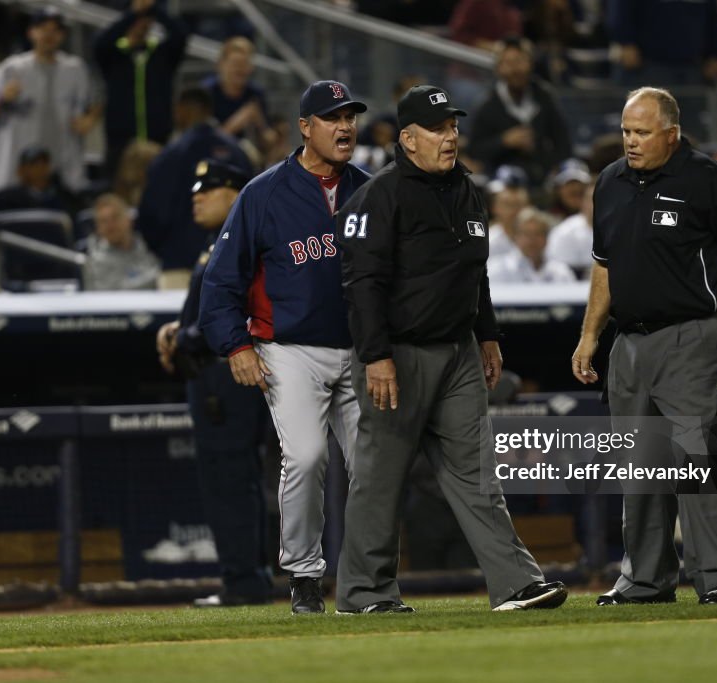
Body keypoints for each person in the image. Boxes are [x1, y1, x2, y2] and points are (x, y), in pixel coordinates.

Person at [335, 84, 568, 614]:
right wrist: (375, 356)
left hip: (458, 352)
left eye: (454, 127)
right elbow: (362, 284)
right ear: (409, 139)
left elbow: (475, 273)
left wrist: (487, 335)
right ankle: (364, 593)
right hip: (397, 353)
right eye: (438, 129)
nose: (450, 137)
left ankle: (514, 584)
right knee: (381, 478)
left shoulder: (466, 189)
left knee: (476, 472)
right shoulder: (379, 196)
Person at [571, 87, 717, 606]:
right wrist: (589, 335)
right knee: (640, 468)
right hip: (629, 343)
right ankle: (645, 580)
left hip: (696, 334)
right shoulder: (609, 182)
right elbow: (604, 266)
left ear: (671, 134)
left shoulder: (707, 178)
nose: (630, 141)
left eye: (642, 132)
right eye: (627, 131)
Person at [198, 81, 370, 614]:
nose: (344, 127)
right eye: (332, 117)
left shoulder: (369, 188)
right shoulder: (263, 192)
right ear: (305, 127)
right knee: (306, 455)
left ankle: (368, 582)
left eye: (350, 117)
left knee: (374, 464)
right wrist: (235, 346)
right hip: (288, 348)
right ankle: (303, 575)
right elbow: (220, 283)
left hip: (361, 350)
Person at [155, 160, 274, 607]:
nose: (197, 196)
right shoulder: (217, 243)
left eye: (211, 188)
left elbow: (231, 315)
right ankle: (247, 578)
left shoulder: (243, 241)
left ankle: (244, 581)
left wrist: (182, 336)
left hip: (226, 379)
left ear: (237, 193)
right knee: (232, 479)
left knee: (230, 478)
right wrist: (178, 330)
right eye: (196, 189)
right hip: (214, 376)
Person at [137, 86, 252, 286]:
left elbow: (152, 213)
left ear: (182, 109)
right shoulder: (239, 153)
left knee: (180, 318)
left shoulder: (170, 155)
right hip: (232, 266)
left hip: (179, 265)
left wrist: (166, 251)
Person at [0, 6, 101, 193]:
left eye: (55, 30)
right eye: (43, 28)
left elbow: (95, 102)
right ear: (31, 32)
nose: (49, 34)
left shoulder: (75, 69)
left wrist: (90, 119)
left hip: (64, 167)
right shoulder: (13, 68)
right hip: (16, 169)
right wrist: (2, 98)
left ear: (63, 35)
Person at [94, 0, 188, 178]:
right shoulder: (113, 55)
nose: (141, 22)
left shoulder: (162, 53)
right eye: (138, 19)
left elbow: (181, 35)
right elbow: (100, 44)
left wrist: (152, 8)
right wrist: (133, 13)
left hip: (158, 140)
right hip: (120, 143)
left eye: (146, 19)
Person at [469, 38, 573, 187]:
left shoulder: (545, 97)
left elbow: (564, 143)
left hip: (543, 180)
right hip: (501, 183)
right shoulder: (487, 105)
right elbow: (475, 150)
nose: (515, 69)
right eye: (508, 63)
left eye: (520, 61)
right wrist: (504, 141)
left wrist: (548, 161)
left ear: (531, 63)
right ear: (498, 68)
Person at [81, 193, 160, 290]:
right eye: (104, 221)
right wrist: (160, 276)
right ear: (98, 229)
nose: (110, 225)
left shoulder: (150, 246)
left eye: (115, 217)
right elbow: (117, 293)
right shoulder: (96, 261)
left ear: (129, 219)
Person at [200, 36, 268, 141]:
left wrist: (260, 123)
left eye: (244, 64)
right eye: (235, 64)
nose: (239, 70)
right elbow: (202, 141)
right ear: (221, 64)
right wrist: (237, 122)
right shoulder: (206, 92)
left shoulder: (255, 94)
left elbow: (268, 140)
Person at [487, 207, 576, 283]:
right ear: (516, 237)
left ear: (546, 239)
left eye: (538, 234)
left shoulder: (561, 271)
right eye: (526, 234)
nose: (532, 240)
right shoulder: (498, 269)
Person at [0, 145, 77, 214]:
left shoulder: (63, 197)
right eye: (34, 164)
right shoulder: (6, 199)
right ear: (20, 170)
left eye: (44, 164)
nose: (40, 169)